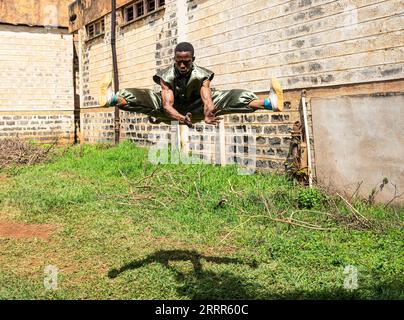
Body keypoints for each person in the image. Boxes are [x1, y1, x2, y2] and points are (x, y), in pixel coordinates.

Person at [99, 42, 283, 127]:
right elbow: (166, 105)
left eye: (186, 61)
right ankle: (111, 98)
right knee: (145, 97)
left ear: (192, 59)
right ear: (174, 59)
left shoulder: (201, 74)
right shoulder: (167, 75)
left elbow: (206, 94)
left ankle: (269, 103)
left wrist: (209, 110)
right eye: (179, 61)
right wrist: (181, 119)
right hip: (173, 111)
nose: (182, 65)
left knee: (228, 96)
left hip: (197, 108)